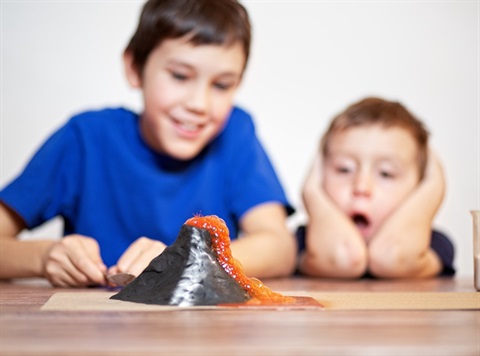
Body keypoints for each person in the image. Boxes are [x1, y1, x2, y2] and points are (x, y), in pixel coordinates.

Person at [0, 0, 297, 287]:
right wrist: (42, 257)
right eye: (180, 76)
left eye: (222, 85)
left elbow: (280, 247)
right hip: (95, 333)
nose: (199, 104)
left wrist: (191, 258)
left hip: (203, 335)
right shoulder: (85, 139)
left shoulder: (234, 132)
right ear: (134, 67)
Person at [297, 97, 455, 278]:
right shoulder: (303, 241)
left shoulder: (432, 244)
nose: (361, 187)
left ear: (418, 190)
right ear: (319, 173)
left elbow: (391, 257)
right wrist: (313, 193)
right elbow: (345, 258)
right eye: (344, 169)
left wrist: (433, 185)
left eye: (386, 173)